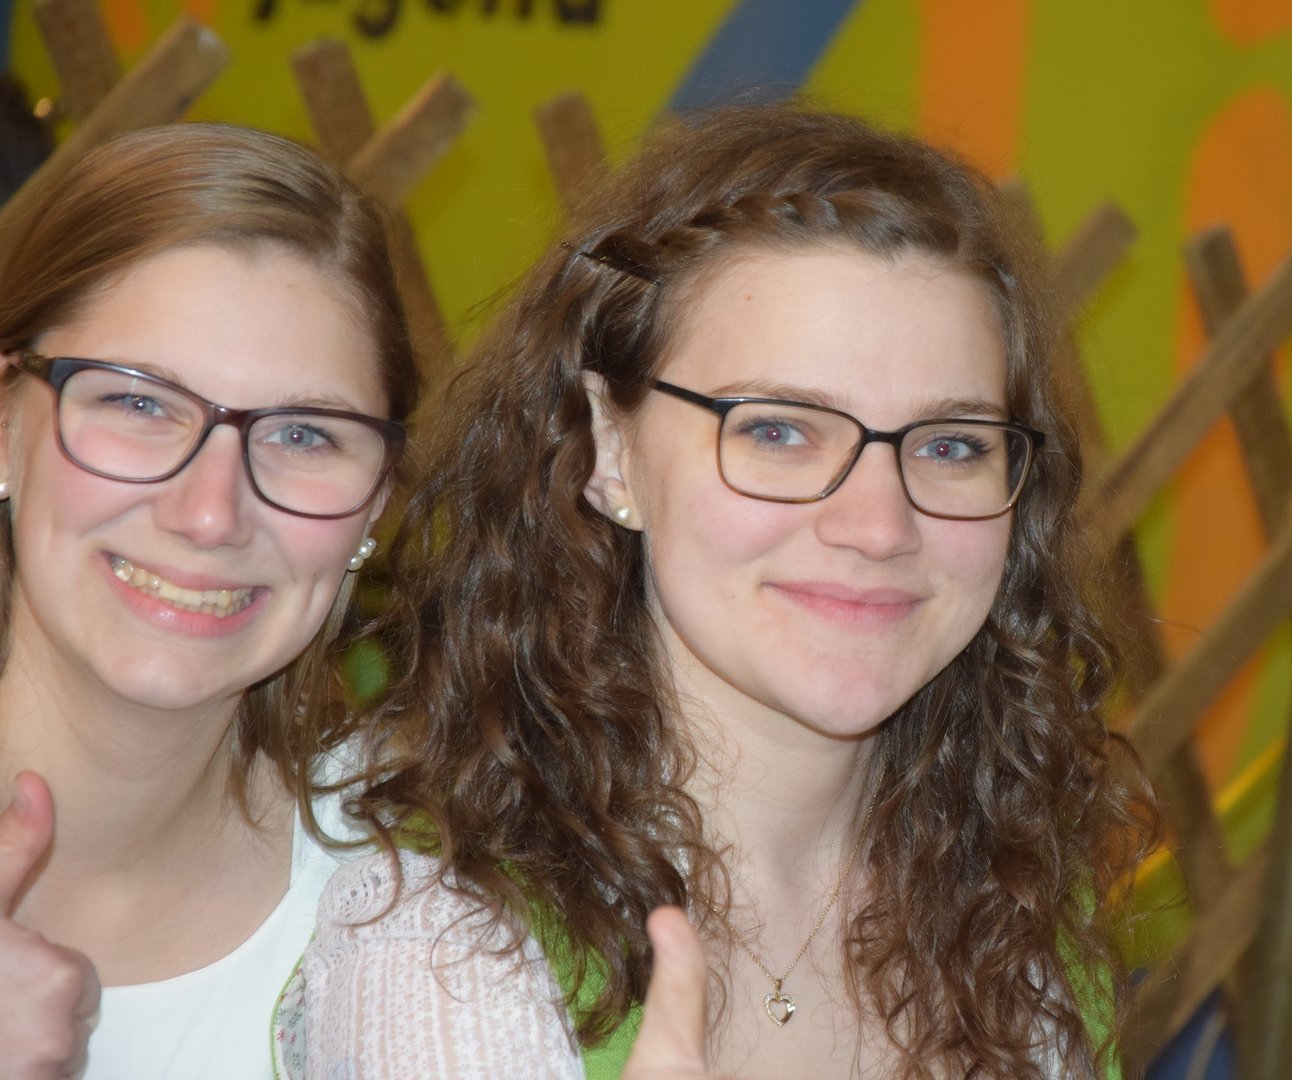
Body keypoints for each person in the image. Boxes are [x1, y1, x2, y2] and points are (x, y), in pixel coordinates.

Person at [287, 105, 1156, 1079]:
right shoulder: (442, 944)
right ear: (610, 451)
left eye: (951, 446)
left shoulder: (1018, 923)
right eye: (779, 430)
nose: (880, 526)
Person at [0, 122, 418, 1079]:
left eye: (304, 435)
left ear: (375, 507)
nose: (209, 513)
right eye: (139, 402)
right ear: (5, 425)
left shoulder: (431, 912)